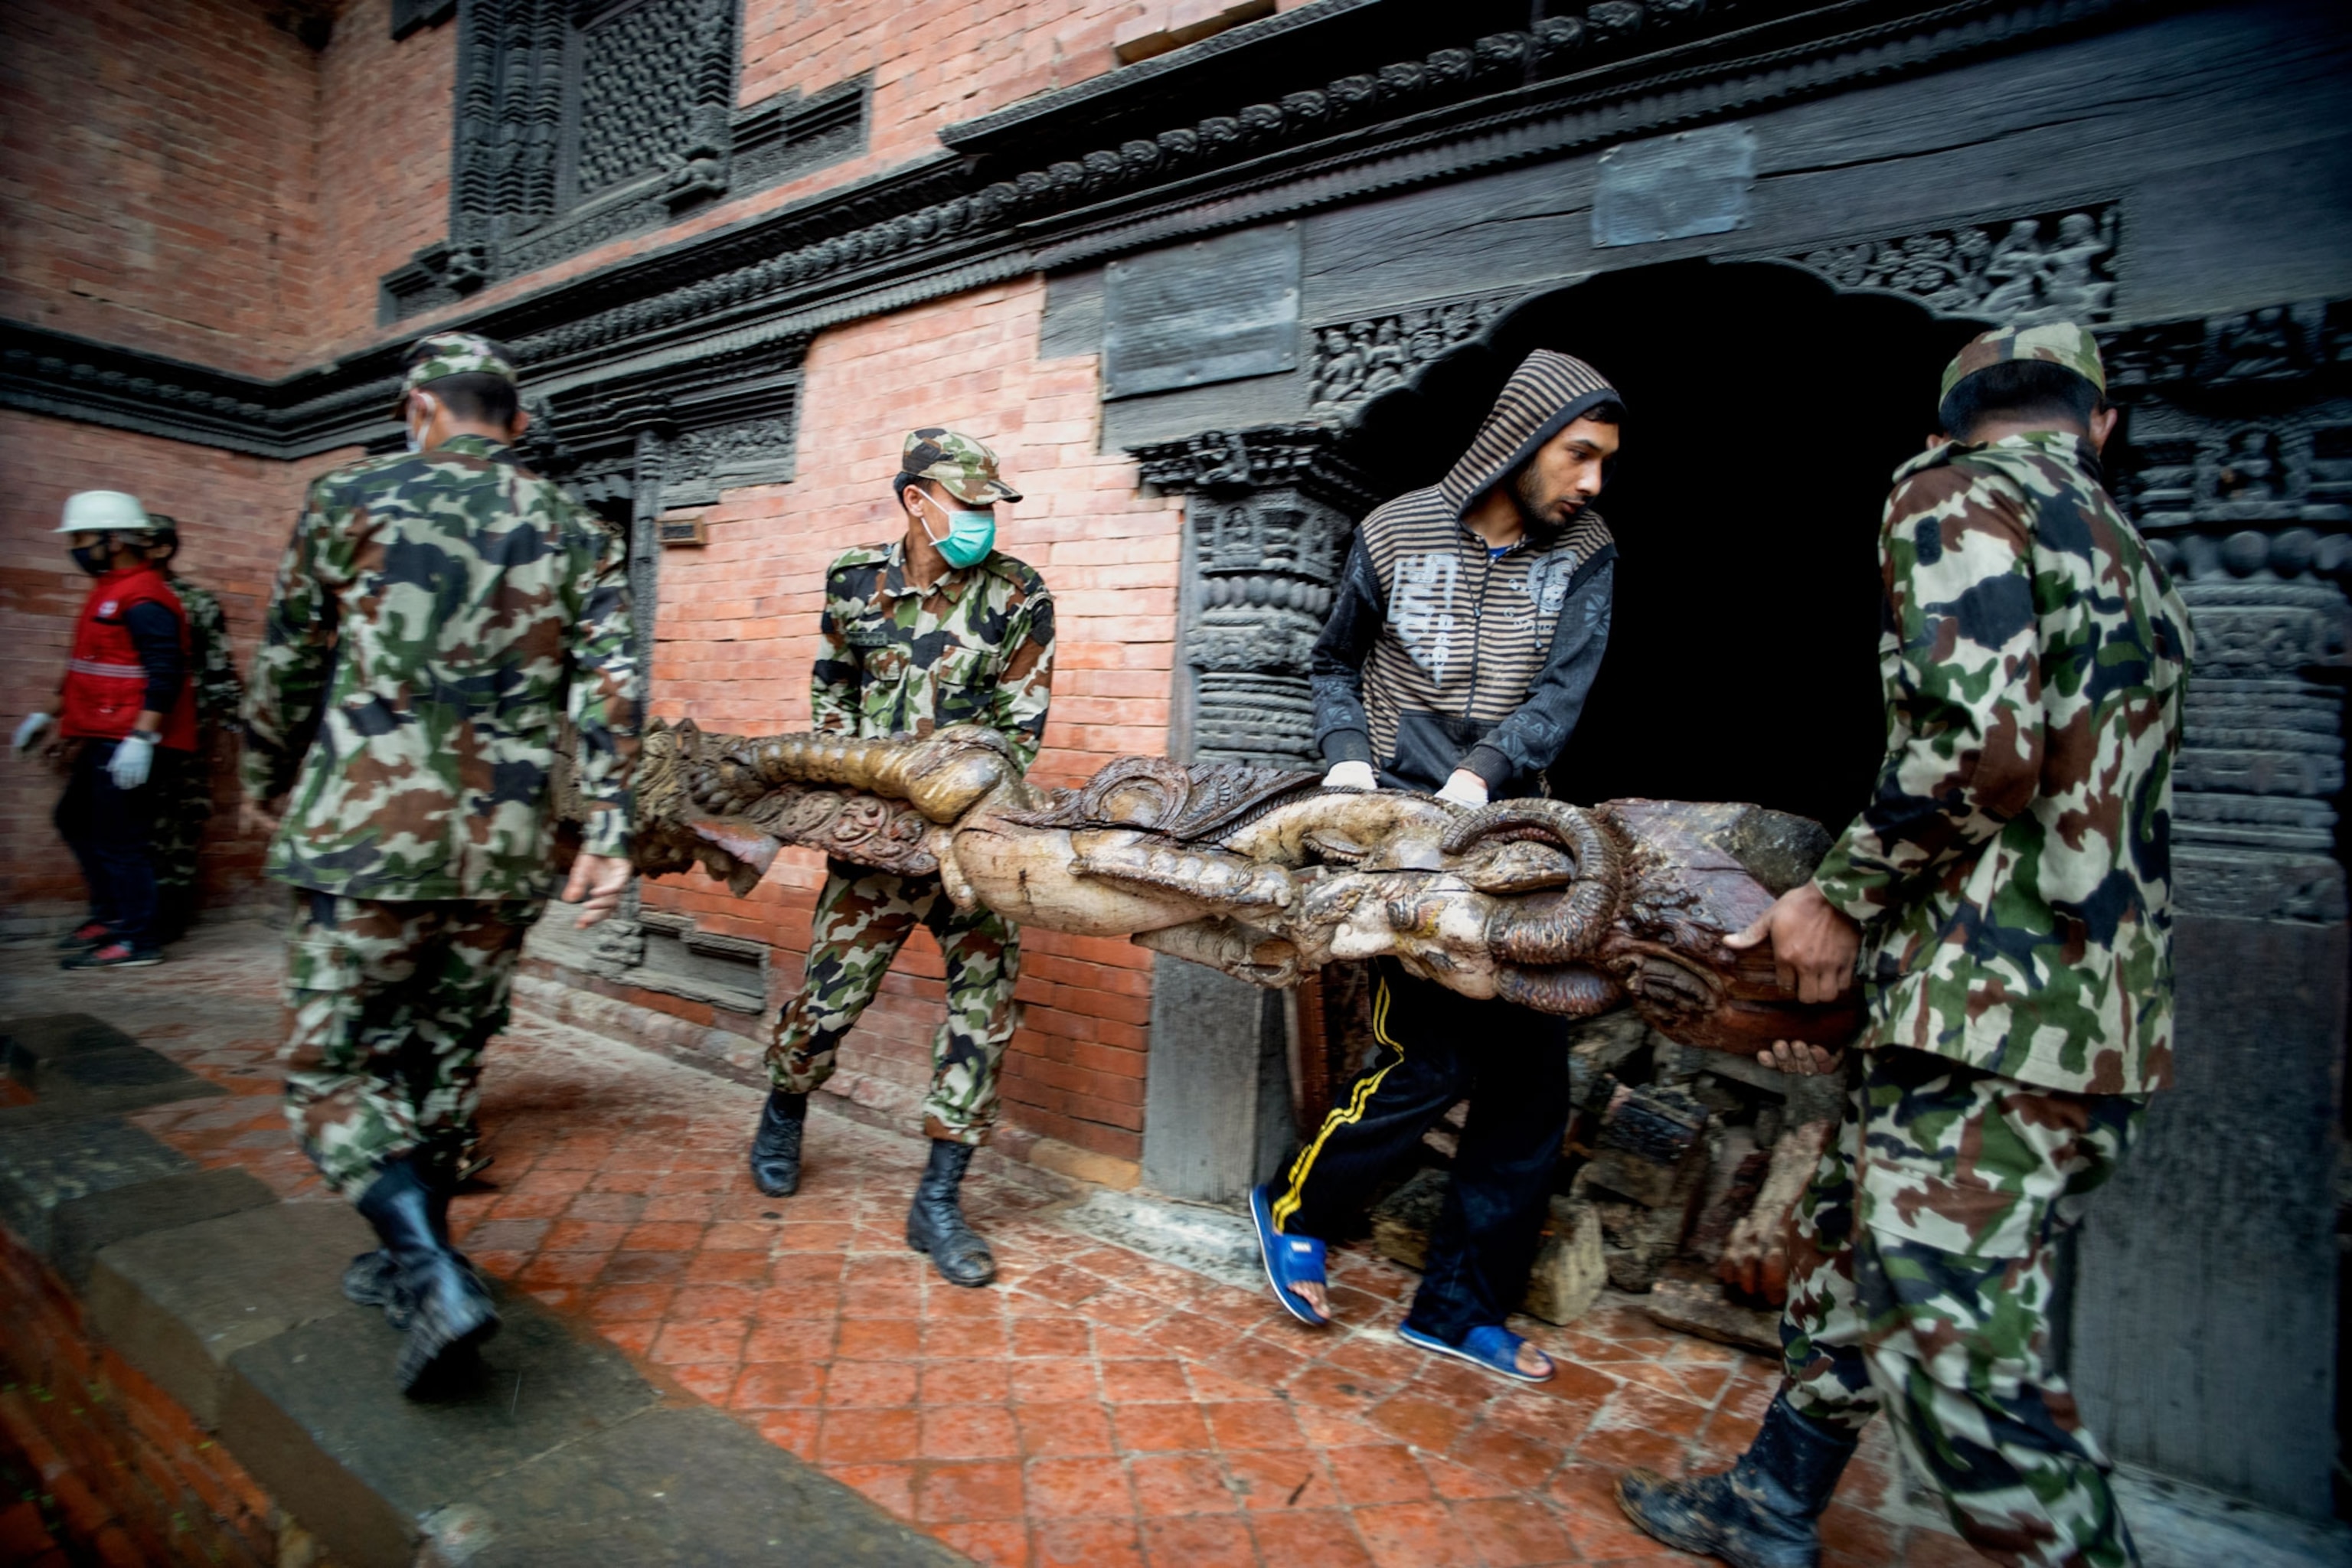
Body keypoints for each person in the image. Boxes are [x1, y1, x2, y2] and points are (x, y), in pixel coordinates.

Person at [1615, 323, 2189, 1568]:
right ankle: (1769, 1500)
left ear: (1945, 424)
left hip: (1993, 1006)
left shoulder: (1952, 489)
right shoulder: (2129, 550)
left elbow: (1977, 746)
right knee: (1849, 1256)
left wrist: (1838, 896)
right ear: (2100, 424)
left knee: (1962, 1359)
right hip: (2081, 1010)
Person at [240, 332, 639, 1393]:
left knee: (328, 1065)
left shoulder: (348, 498)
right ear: (512, 420)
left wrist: (263, 772)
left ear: (419, 406)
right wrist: (606, 829)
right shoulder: (575, 528)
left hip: (365, 838)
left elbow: (289, 661)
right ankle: (408, 1258)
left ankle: (428, 1264)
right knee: (441, 1066)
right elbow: (612, 692)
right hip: (500, 854)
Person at [1252, 350, 1623, 1383]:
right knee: (1433, 1058)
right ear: (1520, 442)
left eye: (1603, 463)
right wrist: (1346, 756)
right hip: (1403, 838)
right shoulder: (1392, 530)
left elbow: (1563, 690)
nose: (1592, 482)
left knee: (1533, 1085)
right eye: (1580, 455)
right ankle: (1294, 1208)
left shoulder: (1588, 550)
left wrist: (1485, 772)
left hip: (1517, 837)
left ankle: (1458, 1308)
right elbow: (1337, 657)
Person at [748, 428, 1054, 1289]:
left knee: (984, 1010)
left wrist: (964, 812)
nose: (985, 520)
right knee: (827, 1000)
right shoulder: (854, 580)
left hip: (971, 845)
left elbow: (1019, 729)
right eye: (970, 503)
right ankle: (784, 1104)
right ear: (918, 501)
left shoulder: (1021, 594)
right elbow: (831, 693)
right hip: (872, 843)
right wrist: (850, 802)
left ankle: (940, 1196)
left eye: (994, 505)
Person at [13, 491, 199, 970]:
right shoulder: (111, 589)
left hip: (129, 739)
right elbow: (88, 669)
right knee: (76, 821)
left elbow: (166, 672)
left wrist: (142, 739)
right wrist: (48, 714)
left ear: (115, 539)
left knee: (121, 839)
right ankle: (114, 917)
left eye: (81, 536)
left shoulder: (145, 596)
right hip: (106, 735)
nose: (74, 546)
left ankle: (139, 937)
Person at [144, 514, 243, 942]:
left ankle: (168, 918)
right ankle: (127, 912)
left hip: (188, 727)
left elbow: (220, 671)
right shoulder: (120, 597)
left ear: (164, 549)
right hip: (127, 726)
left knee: (179, 824)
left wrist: (226, 733)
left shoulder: (196, 603)